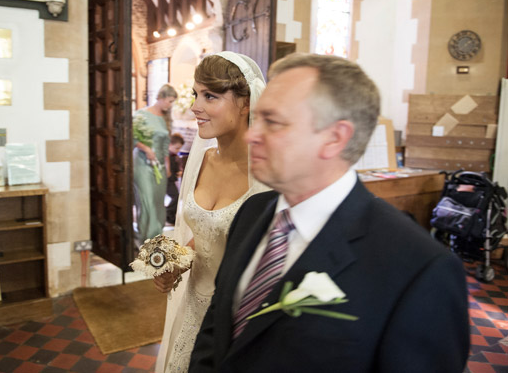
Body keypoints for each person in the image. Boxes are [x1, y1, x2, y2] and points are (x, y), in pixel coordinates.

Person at [189, 53, 470, 372]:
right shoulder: (253, 213)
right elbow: (216, 332)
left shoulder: (418, 268)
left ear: (334, 139)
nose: (253, 134)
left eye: (273, 122)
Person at [154, 52, 269, 372]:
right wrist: (175, 263)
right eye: (195, 94)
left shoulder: (266, 175)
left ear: (246, 102)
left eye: (210, 96)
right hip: (193, 305)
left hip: (236, 318)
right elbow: (206, 233)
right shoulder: (202, 160)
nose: (195, 107)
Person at [133, 84, 177, 244]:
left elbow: (165, 146)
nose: (170, 105)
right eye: (169, 101)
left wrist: (168, 167)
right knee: (147, 200)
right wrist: (146, 149)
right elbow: (132, 137)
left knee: (158, 201)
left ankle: (156, 236)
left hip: (160, 165)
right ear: (161, 97)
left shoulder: (164, 118)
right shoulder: (141, 114)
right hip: (143, 163)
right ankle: (145, 238)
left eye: (172, 102)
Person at [165, 133, 185, 225]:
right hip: (167, 180)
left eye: (179, 148)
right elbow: (167, 167)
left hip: (171, 179)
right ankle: (168, 214)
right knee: (176, 196)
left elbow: (176, 166)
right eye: (177, 148)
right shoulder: (167, 155)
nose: (178, 150)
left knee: (176, 196)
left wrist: (178, 171)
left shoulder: (173, 155)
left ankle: (170, 215)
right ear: (170, 145)